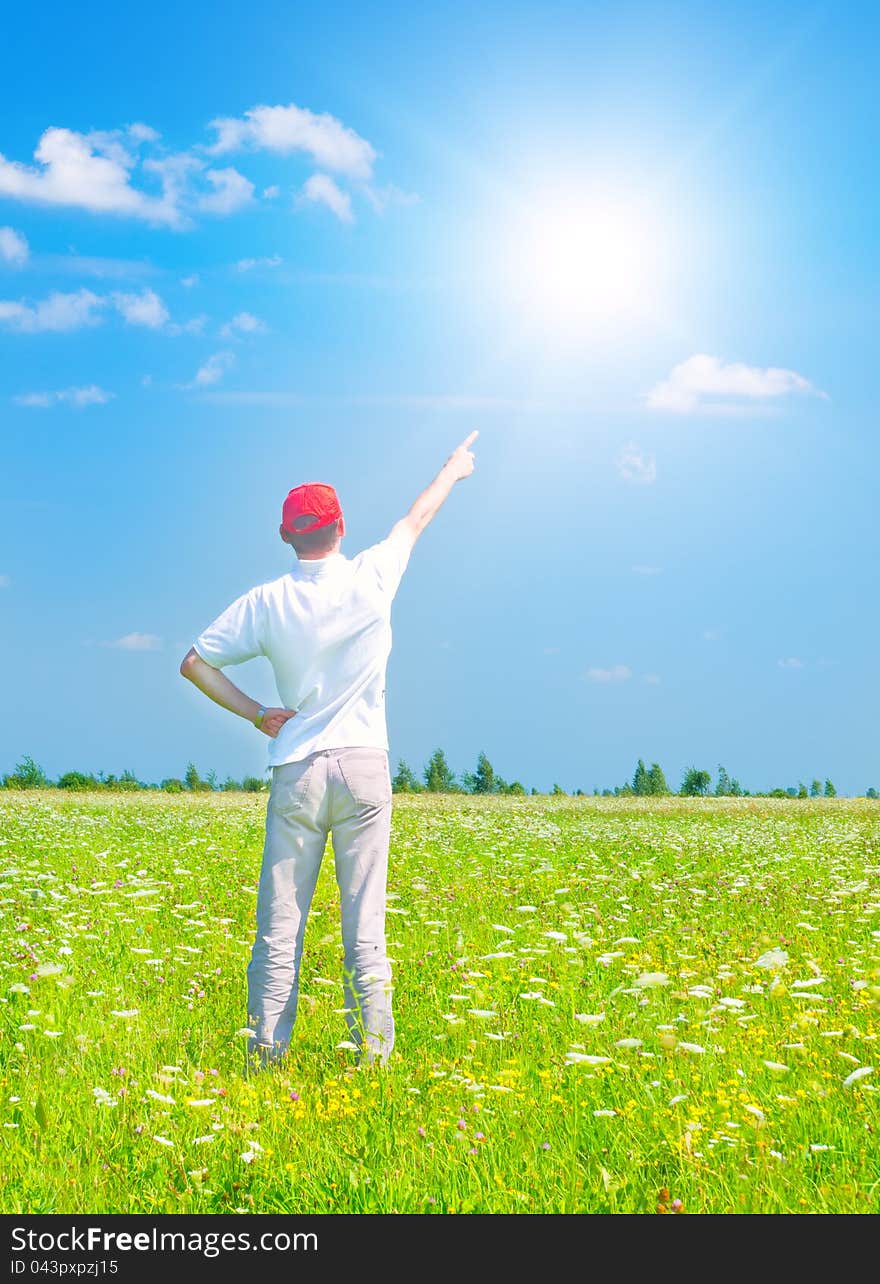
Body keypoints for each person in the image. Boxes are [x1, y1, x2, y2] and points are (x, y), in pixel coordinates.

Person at [179, 431, 479, 1067]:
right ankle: (373, 1059)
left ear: (288, 536)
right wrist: (455, 468)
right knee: (364, 925)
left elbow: (195, 664)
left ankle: (266, 1058)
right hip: (365, 768)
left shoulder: (265, 601)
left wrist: (259, 712)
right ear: (341, 528)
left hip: (298, 769)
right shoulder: (373, 575)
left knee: (279, 927)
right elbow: (417, 516)